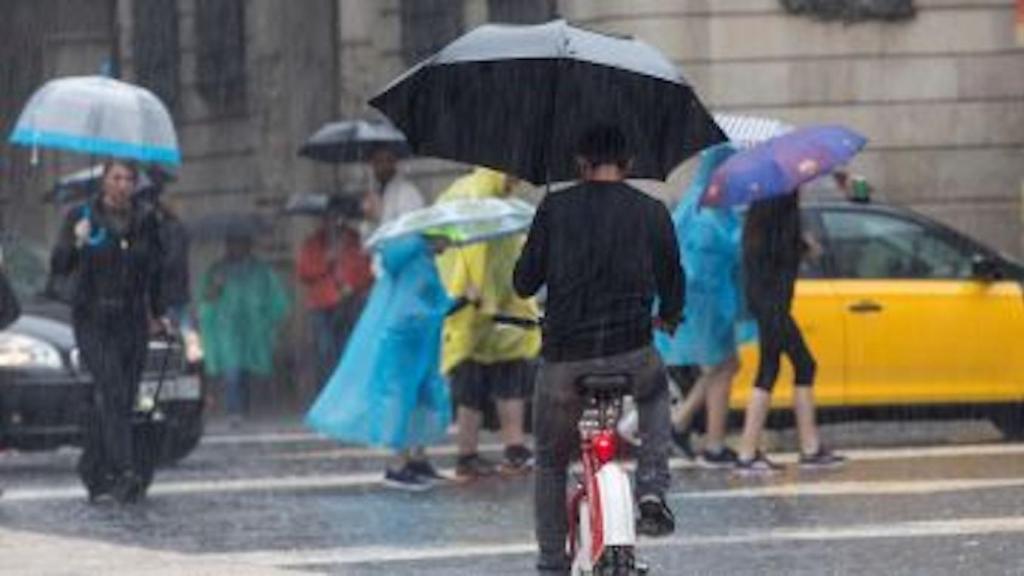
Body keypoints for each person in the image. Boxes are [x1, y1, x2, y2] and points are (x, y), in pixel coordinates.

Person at [513, 125, 684, 574]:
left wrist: (547, 238)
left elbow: (523, 282)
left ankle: (551, 562)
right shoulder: (651, 211)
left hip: (566, 358)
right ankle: (651, 488)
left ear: (581, 164)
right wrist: (669, 313)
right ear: (627, 164)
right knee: (654, 393)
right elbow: (673, 280)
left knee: (550, 460)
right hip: (633, 351)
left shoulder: (555, 207)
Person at [50, 159, 167, 503]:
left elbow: (156, 270)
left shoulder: (145, 219)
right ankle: (125, 470)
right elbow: (59, 266)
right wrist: (76, 241)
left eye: (129, 179)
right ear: (104, 182)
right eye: (116, 178)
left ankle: (93, 467)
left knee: (124, 397)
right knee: (113, 389)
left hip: (130, 319)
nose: (123, 185)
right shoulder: (81, 216)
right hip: (94, 318)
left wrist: (158, 313)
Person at [306, 234, 454, 491]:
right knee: (402, 400)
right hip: (407, 342)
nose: (451, 242)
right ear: (433, 236)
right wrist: (456, 303)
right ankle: (399, 464)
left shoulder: (413, 261)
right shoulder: (417, 264)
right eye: (446, 236)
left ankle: (414, 460)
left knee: (416, 399)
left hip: (414, 343)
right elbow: (416, 307)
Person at [435, 168, 541, 481]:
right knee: (477, 387)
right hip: (477, 310)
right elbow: (474, 253)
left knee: (501, 381)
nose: (516, 181)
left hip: (498, 309)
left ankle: (509, 449)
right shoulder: (478, 197)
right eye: (512, 174)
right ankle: (475, 455)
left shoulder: (491, 196)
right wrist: (481, 295)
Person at [734, 190, 846, 475]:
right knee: (804, 365)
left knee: (770, 370)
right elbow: (783, 258)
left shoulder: (762, 224)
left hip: (768, 305)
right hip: (774, 308)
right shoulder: (781, 225)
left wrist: (803, 246)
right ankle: (805, 448)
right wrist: (803, 245)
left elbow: (776, 259)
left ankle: (751, 452)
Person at [655, 143, 750, 468]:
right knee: (721, 367)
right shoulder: (705, 211)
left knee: (723, 366)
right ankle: (710, 443)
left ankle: (685, 428)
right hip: (706, 305)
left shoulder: (706, 205)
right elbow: (707, 256)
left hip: (711, 302)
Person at [198, 234, 289, 424]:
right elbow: (206, 299)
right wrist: (216, 287)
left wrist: (271, 322)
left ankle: (244, 408)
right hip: (227, 329)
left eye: (240, 243)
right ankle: (235, 410)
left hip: (252, 329)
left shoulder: (260, 271)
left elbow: (275, 298)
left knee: (245, 370)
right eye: (232, 243)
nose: (235, 248)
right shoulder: (217, 271)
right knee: (233, 369)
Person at [297, 204, 373, 384]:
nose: (333, 223)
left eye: (337, 218)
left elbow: (367, 271)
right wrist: (326, 262)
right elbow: (303, 272)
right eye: (329, 219)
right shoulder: (313, 243)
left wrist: (352, 285)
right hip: (322, 305)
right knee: (325, 350)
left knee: (350, 347)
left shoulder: (355, 241)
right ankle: (328, 388)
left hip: (350, 302)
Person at [361, 147, 424, 225]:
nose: (383, 166)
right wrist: (370, 217)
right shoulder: (374, 192)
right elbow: (369, 232)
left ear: (395, 163)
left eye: (388, 160)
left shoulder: (407, 191)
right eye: (378, 161)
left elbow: (409, 226)